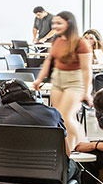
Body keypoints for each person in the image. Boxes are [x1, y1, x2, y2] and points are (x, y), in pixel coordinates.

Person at [33, 9, 94, 143]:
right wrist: (39, 79)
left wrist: (87, 92)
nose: (55, 26)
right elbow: (49, 61)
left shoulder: (81, 43)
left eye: (59, 23)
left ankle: (84, 145)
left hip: (75, 82)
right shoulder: (57, 40)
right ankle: (70, 150)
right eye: (54, 23)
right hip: (58, 80)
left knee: (67, 117)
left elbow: (86, 69)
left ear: (69, 24)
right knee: (60, 117)